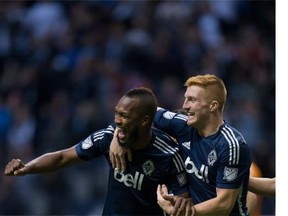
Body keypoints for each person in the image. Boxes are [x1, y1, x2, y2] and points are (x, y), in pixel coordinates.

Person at [4, 87, 189, 215]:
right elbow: (62, 157)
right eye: (116, 113)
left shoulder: (169, 156)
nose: (117, 120)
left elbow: (182, 205)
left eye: (124, 116)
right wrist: (27, 168)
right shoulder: (109, 138)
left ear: (144, 121)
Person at [110, 74, 252, 215]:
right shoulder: (183, 125)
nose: (185, 106)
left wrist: (179, 213)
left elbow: (223, 205)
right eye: (185, 98)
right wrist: (118, 136)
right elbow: (137, 109)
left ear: (213, 106)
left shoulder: (231, 146)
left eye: (192, 100)